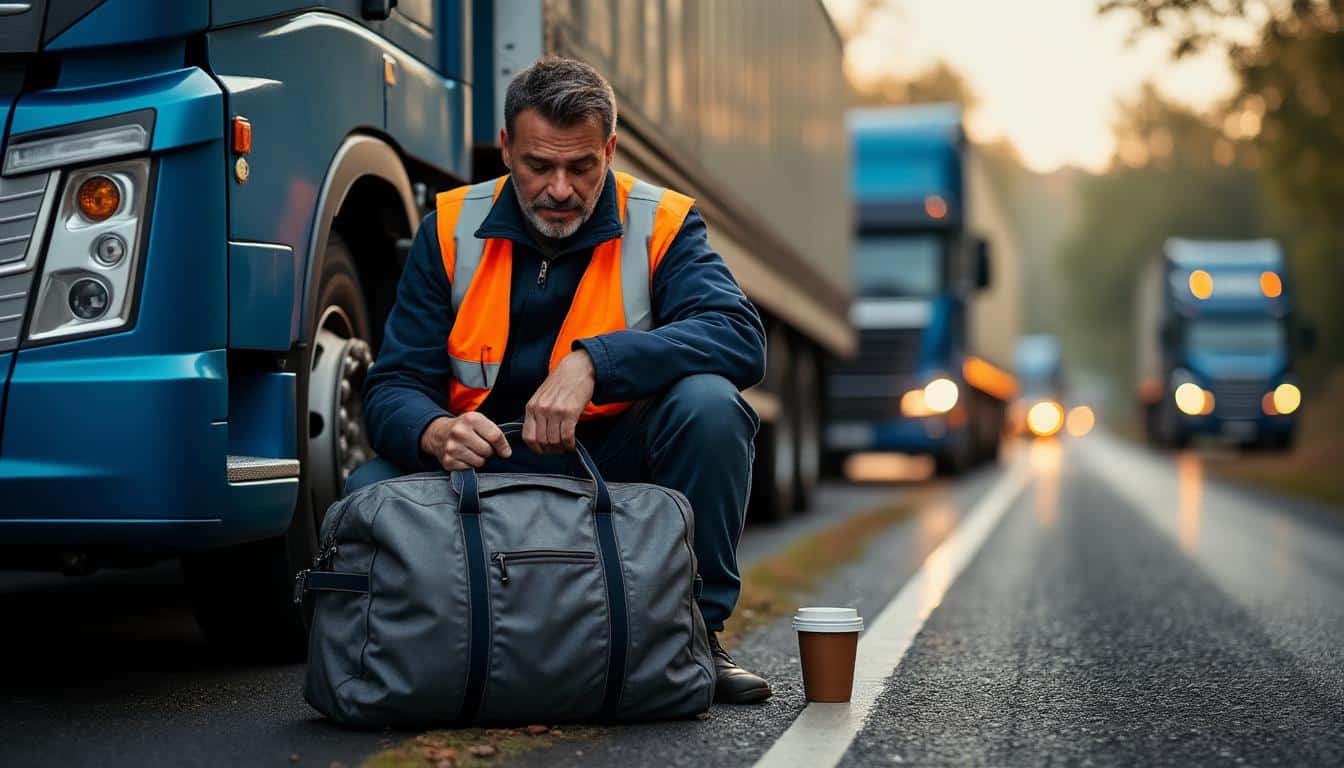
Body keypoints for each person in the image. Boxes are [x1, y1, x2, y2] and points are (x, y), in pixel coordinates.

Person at [348, 57, 771, 704]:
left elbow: (738, 336)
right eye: (538, 167)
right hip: (483, 462)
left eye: (582, 168)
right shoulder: (449, 229)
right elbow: (392, 385)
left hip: (612, 460)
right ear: (505, 149)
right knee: (367, 487)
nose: (561, 190)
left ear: (610, 149)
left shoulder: (661, 222)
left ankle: (695, 636)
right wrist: (433, 432)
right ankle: (397, 652)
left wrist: (594, 364)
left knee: (710, 405)